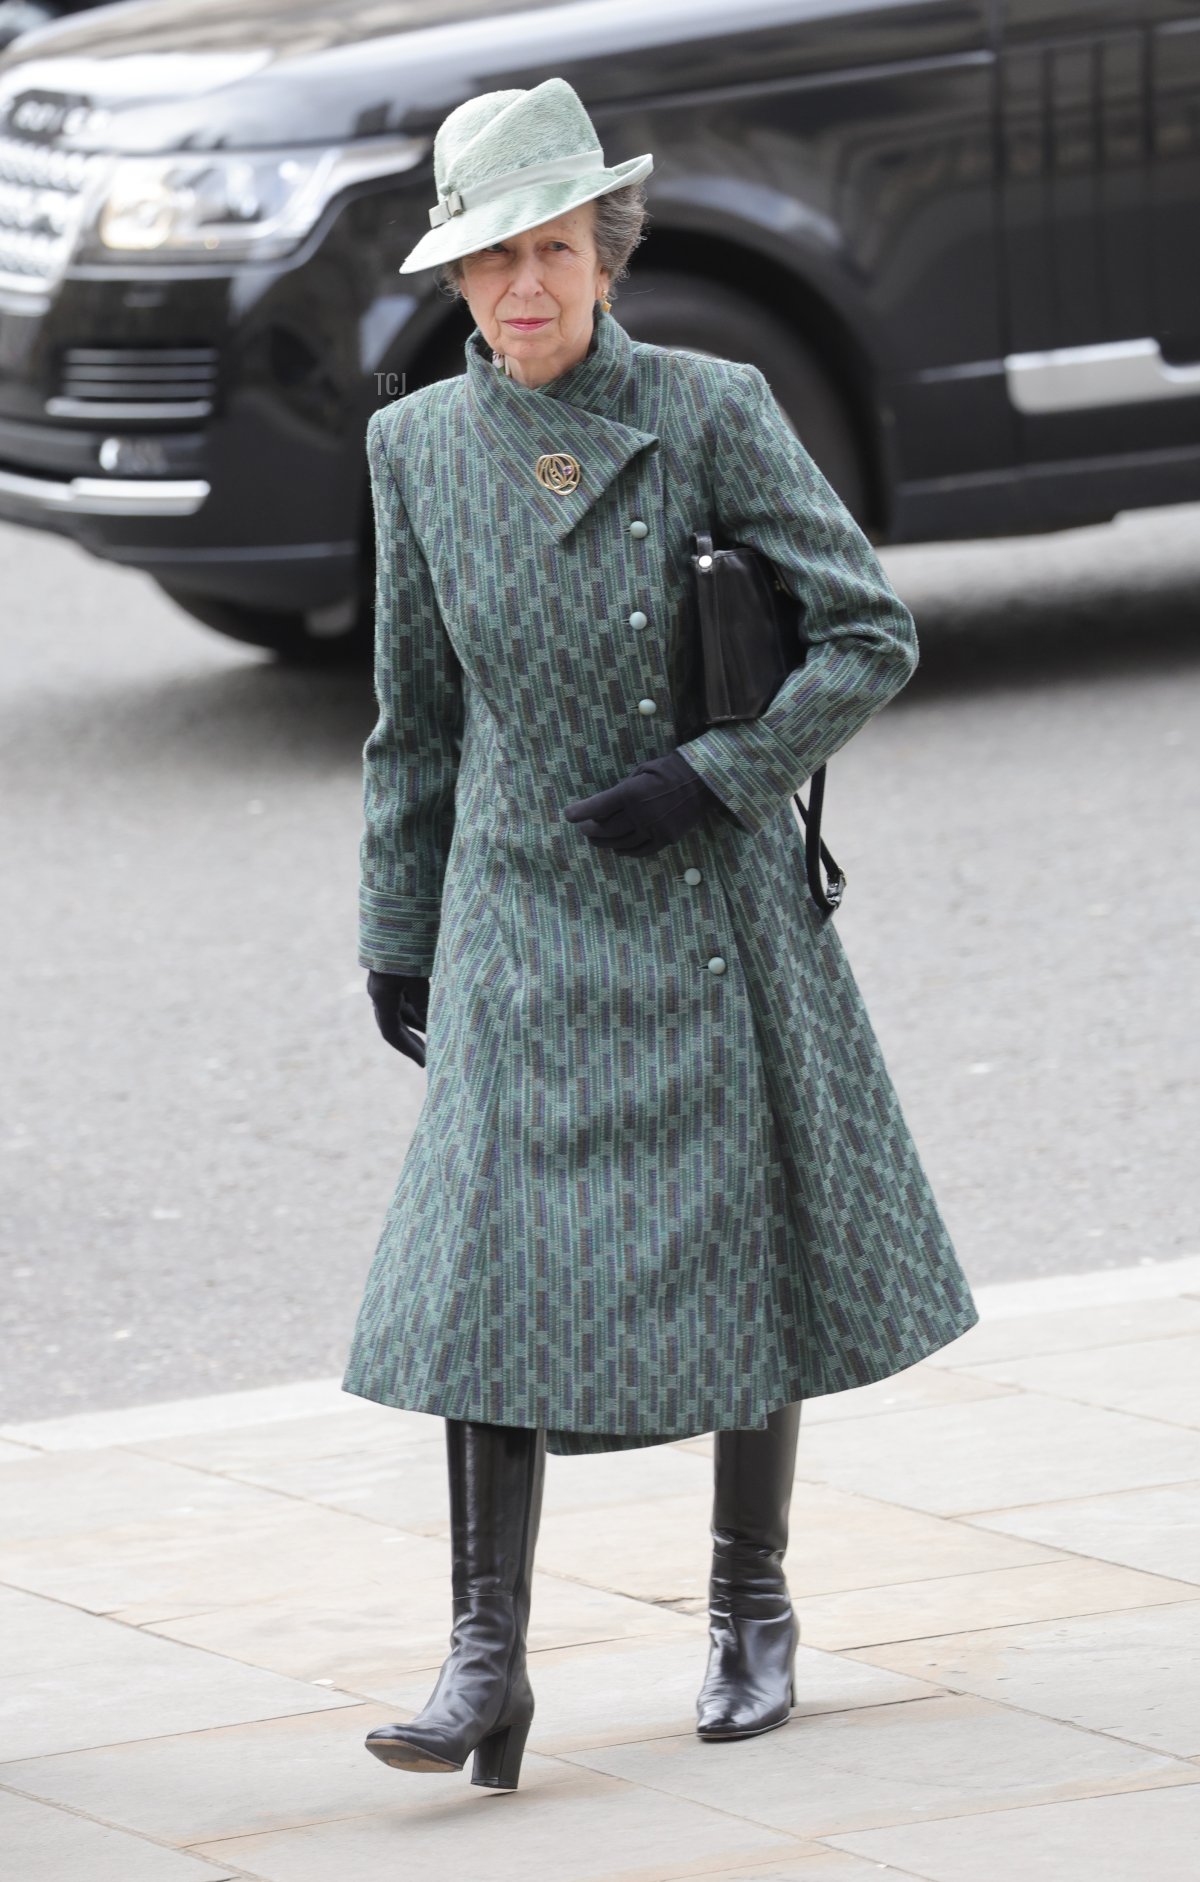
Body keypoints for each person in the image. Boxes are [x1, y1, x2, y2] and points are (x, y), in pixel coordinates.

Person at [341, 75, 978, 1793]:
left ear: (605, 255)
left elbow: (868, 633)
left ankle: (751, 1606)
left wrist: (716, 773)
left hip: (702, 890)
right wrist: (397, 928)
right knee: (481, 1266)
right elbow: (413, 721)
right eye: (486, 264)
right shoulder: (412, 449)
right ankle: (486, 1660)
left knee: (741, 1236)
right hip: (512, 904)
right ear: (456, 281)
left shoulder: (713, 408)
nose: (520, 291)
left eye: (548, 251)